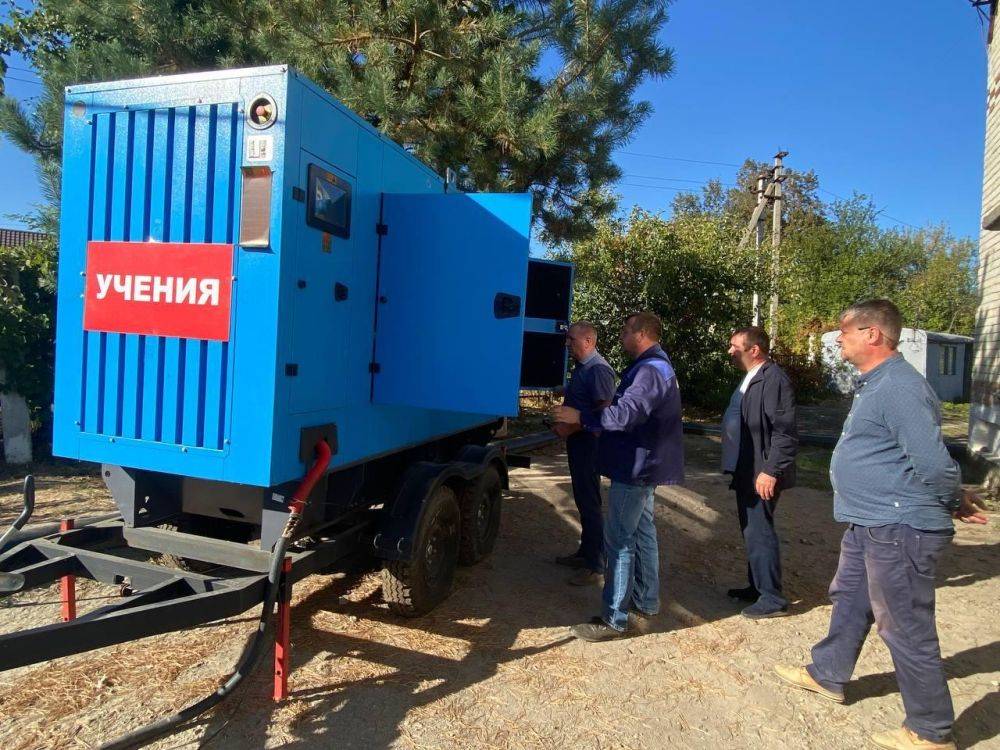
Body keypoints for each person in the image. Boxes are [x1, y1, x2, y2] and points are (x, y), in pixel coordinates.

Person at [773, 300, 988, 750]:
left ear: (872, 334)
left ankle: (930, 730)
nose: (839, 339)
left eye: (845, 332)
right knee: (849, 599)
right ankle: (827, 674)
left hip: (900, 525)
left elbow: (931, 460)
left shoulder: (899, 387)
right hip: (870, 521)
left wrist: (953, 499)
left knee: (905, 624)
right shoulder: (876, 383)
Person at [553, 311, 684, 641]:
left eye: (626, 330)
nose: (621, 336)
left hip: (636, 465)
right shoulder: (653, 367)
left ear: (640, 334)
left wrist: (580, 417)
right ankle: (647, 602)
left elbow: (625, 414)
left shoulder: (651, 370)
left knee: (620, 540)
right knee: (642, 533)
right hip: (641, 463)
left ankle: (613, 618)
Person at [721, 326, 797, 618]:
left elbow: (784, 432)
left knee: (760, 531)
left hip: (761, 471)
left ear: (755, 350)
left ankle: (772, 598)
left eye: (734, 346)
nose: (730, 351)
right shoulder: (752, 377)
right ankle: (757, 587)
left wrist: (771, 470)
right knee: (751, 530)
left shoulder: (774, 380)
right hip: (747, 468)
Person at [553, 322, 616, 586]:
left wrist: (572, 426)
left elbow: (606, 414)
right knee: (581, 497)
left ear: (589, 341)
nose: (568, 344)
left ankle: (595, 565)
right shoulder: (583, 368)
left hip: (590, 444)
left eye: (572, 340)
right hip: (579, 442)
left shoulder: (599, 370)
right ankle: (585, 553)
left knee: (589, 501)